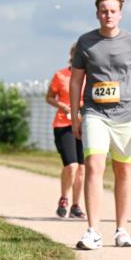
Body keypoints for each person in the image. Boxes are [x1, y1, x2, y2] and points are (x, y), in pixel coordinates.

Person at [70, 0, 131, 250]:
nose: (108, 15)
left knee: (123, 170)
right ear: (97, 13)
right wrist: (75, 115)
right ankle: (93, 231)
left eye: (113, 11)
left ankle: (121, 229)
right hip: (95, 113)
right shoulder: (85, 42)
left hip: (127, 116)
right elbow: (76, 81)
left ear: (121, 13)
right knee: (94, 166)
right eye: (104, 11)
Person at [46, 44, 86, 219]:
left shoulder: (90, 77)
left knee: (82, 169)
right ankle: (64, 198)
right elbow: (49, 97)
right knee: (71, 166)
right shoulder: (60, 75)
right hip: (63, 125)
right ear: (71, 55)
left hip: (85, 125)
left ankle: (76, 206)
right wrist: (60, 105)